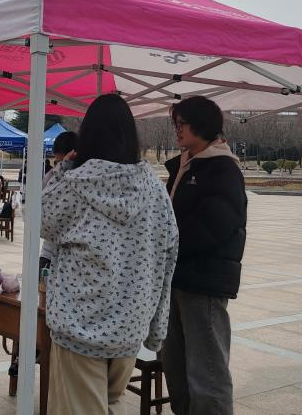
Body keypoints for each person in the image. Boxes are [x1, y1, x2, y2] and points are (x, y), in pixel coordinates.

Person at [41, 94, 179, 415]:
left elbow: (38, 218)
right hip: (129, 329)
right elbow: (168, 257)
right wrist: (157, 330)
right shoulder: (155, 191)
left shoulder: (74, 185)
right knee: (110, 404)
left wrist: (62, 169)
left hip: (80, 325)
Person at [162, 96, 247, 415]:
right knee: (176, 366)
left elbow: (214, 226)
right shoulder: (186, 164)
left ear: (202, 125)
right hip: (177, 278)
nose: (177, 130)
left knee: (207, 372)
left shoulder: (222, 168)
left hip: (203, 283)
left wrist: (167, 241)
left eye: (182, 124)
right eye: (175, 124)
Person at [39, 130, 78, 273]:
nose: (60, 165)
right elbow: (42, 213)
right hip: (50, 253)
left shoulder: (83, 179)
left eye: (64, 161)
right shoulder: (52, 176)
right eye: (58, 162)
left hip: (72, 258)